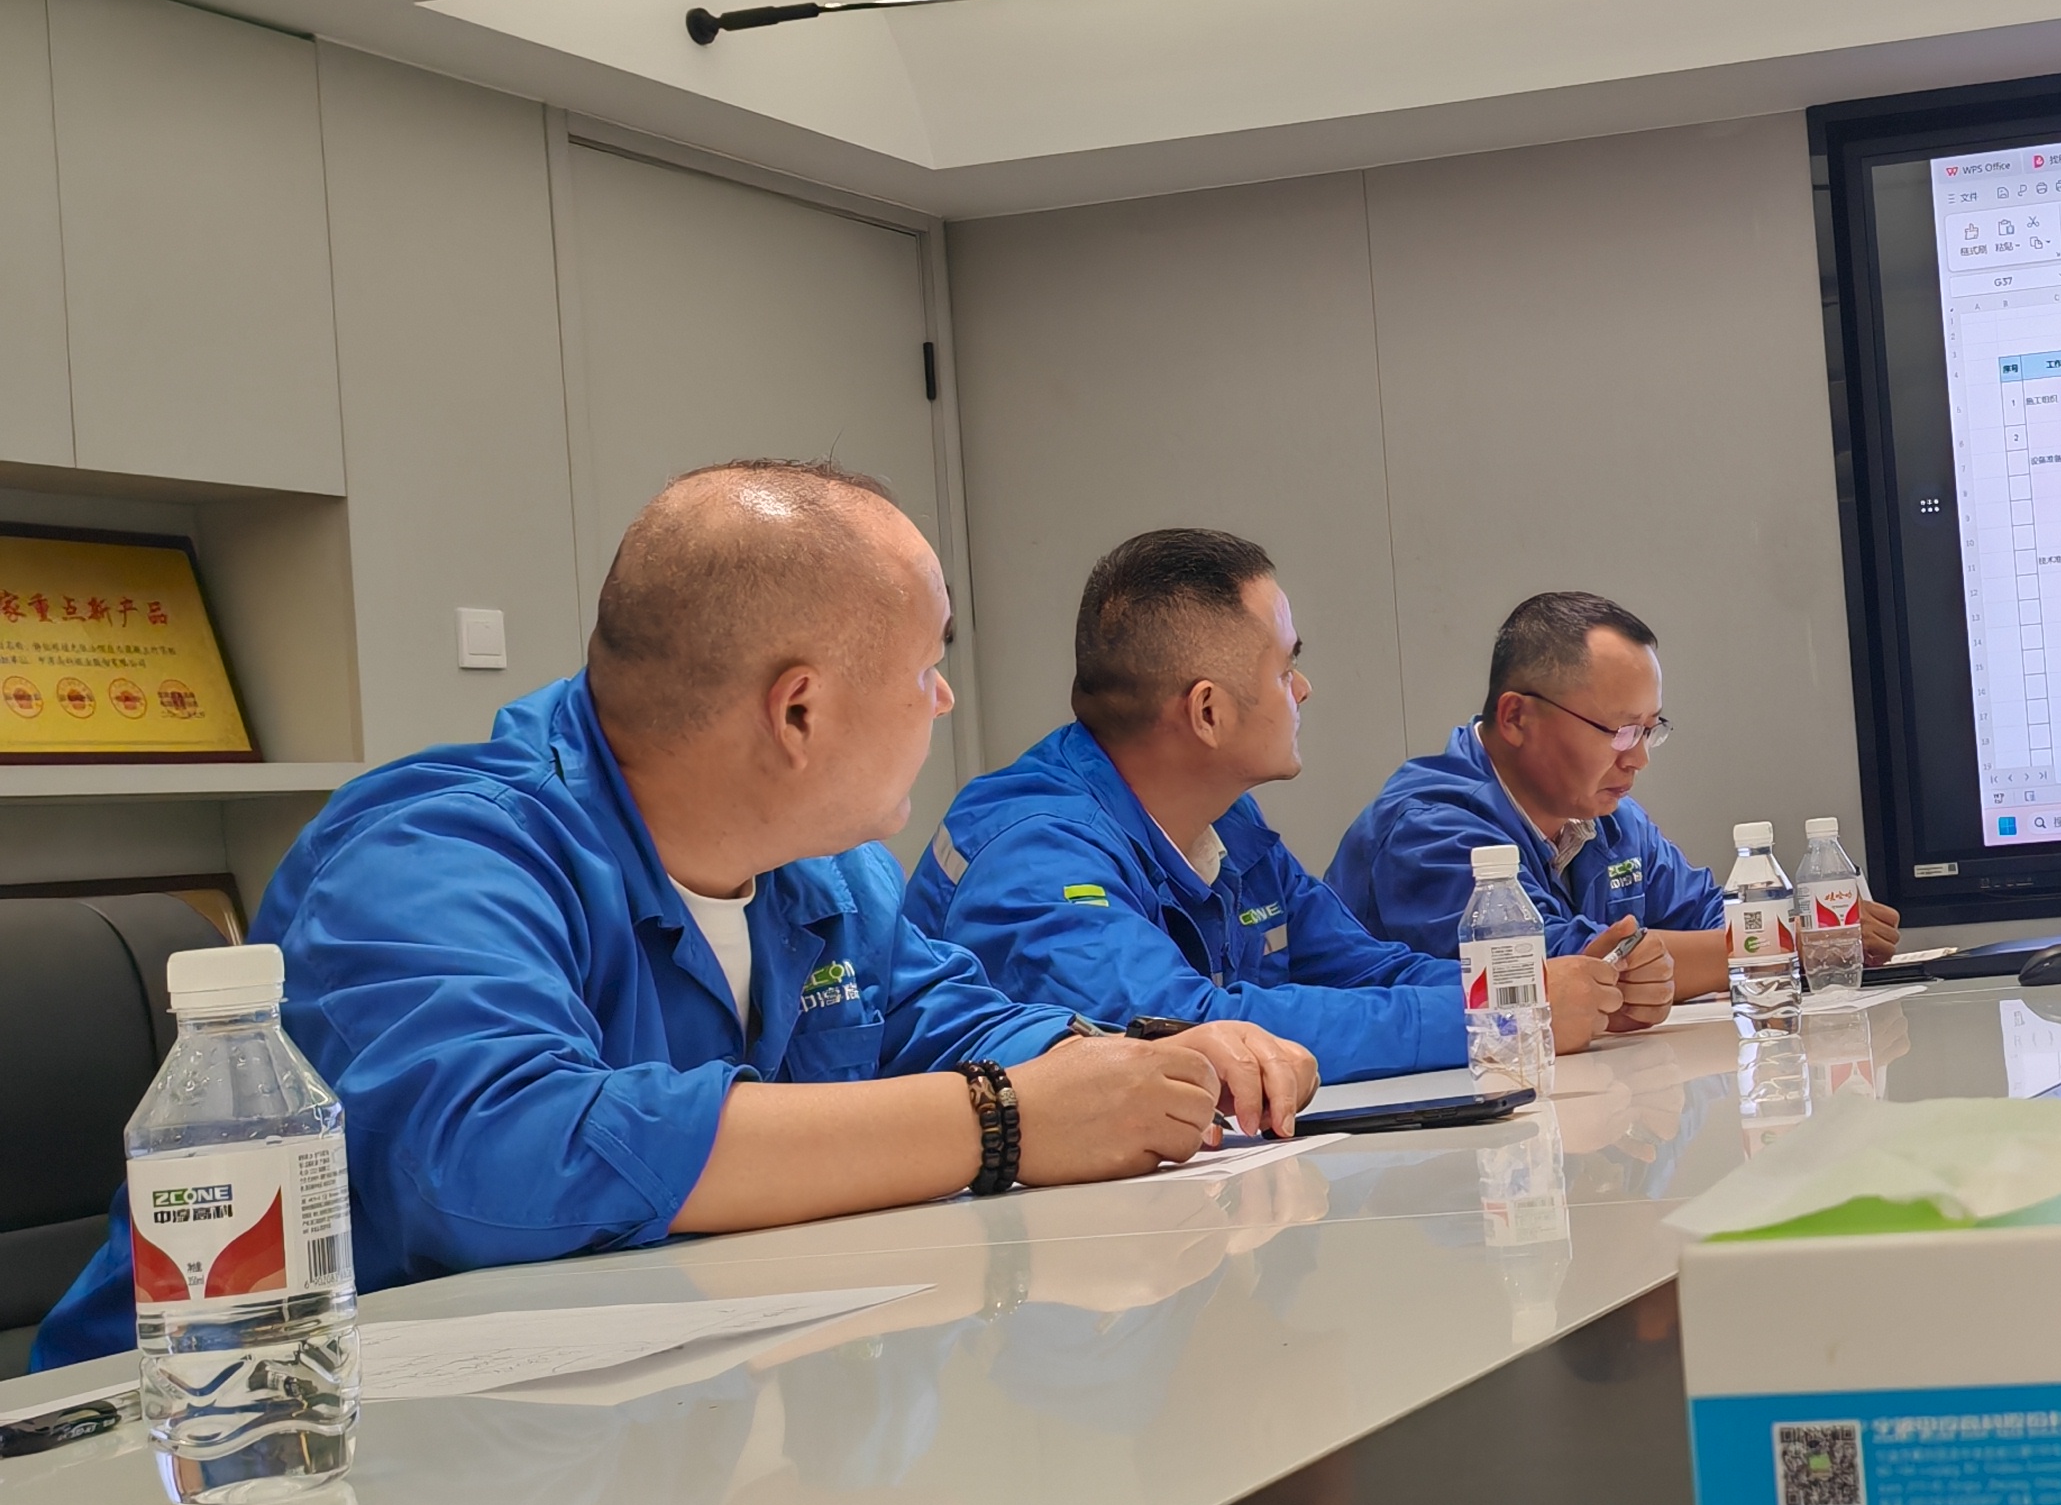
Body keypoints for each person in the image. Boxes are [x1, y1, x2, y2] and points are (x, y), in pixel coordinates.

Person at [35, 461, 1313, 1368]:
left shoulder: (822, 868)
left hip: (616, 1426)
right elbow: (499, 1150)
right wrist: (1003, 1120)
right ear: (798, 711)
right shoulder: (434, 852)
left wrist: (1126, 1061)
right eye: (926, 668)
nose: (940, 703)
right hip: (225, 1476)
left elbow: (944, 1018)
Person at [910, 527, 1653, 1075]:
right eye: (1284, 668)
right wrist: (1503, 1013)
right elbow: (1188, 1032)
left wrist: (1536, 986)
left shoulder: (1226, 818)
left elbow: (1363, 968)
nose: (1303, 689)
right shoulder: (1034, 852)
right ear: (1208, 712)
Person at [1332, 589, 1897, 988]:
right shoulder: (1427, 830)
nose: (1639, 757)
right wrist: (1784, 940)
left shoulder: (1607, 817)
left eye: (1650, 729)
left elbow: (1702, 913)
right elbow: (1557, 970)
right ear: (1516, 718)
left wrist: (1810, 926)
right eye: (1620, 730)